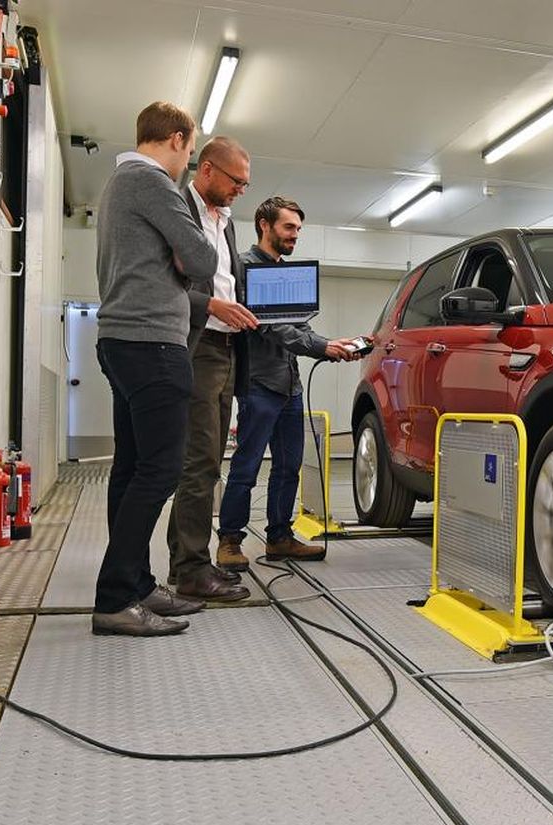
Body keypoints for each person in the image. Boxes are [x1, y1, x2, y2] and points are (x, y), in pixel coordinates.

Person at [92, 101, 219, 637]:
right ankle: (115, 598)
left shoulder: (118, 183)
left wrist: (178, 257)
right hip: (153, 343)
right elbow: (204, 260)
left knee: (131, 469)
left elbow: (183, 259)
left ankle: (137, 585)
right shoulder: (153, 182)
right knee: (161, 471)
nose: (187, 162)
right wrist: (183, 256)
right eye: (189, 150)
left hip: (122, 340)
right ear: (176, 139)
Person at [216, 197, 363, 567]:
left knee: (288, 466)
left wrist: (333, 343)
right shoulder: (244, 269)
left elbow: (299, 325)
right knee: (247, 466)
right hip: (259, 384)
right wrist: (321, 347)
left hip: (290, 386)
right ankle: (230, 540)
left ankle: (279, 537)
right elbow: (270, 326)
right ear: (264, 225)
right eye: (288, 227)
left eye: (298, 228)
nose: (295, 234)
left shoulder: (287, 273)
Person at [165, 136, 258, 602]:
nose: (241, 190)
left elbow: (226, 279)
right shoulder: (177, 208)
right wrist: (213, 305)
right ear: (206, 170)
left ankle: (189, 561)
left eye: (245, 183)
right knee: (199, 462)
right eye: (236, 181)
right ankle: (190, 571)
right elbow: (164, 285)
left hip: (227, 349)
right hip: (198, 346)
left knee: (209, 461)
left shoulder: (227, 221)